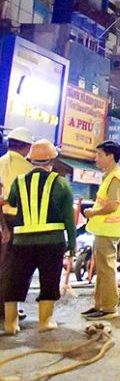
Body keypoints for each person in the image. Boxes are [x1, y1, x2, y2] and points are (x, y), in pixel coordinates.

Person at [0, 139, 76, 335]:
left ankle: (10, 325)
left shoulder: (19, 181)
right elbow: (69, 217)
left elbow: (12, 201)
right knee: (49, 280)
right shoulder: (60, 183)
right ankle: (44, 322)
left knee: (15, 280)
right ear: (52, 160)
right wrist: (72, 243)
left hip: (21, 242)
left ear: (30, 160)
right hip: (52, 243)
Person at [82, 140, 120, 320]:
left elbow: (112, 205)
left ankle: (109, 308)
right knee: (102, 270)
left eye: (100, 155)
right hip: (103, 230)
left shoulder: (115, 178)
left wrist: (93, 212)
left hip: (109, 230)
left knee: (106, 270)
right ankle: (99, 305)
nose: (96, 158)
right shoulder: (109, 176)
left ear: (110, 156)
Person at [0, 127, 33, 323]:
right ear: (27, 147)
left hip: (2, 220)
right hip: (19, 222)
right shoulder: (29, 170)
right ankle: (8, 309)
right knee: (16, 267)